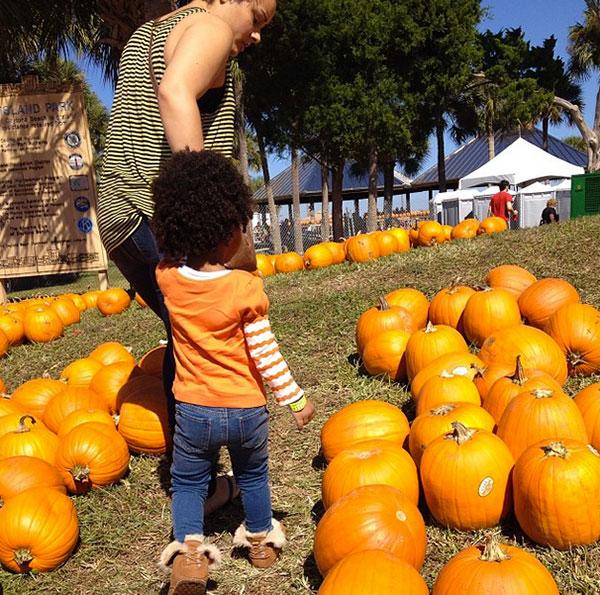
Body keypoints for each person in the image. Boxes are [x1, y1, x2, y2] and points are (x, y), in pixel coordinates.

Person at [97, 0, 277, 511]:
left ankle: (195, 473)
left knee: (187, 332)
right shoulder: (213, 26)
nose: (256, 36)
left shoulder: (153, 31)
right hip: (150, 211)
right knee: (204, 336)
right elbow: (175, 94)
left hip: (123, 213)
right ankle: (195, 482)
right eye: (258, 18)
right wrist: (203, 211)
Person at [153, 150, 315, 594]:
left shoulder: (168, 280)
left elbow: (170, 260)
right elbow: (266, 352)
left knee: (187, 481)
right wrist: (294, 398)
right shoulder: (246, 288)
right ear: (232, 231)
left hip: (195, 410)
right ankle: (261, 543)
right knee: (253, 477)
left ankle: (189, 558)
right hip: (246, 410)